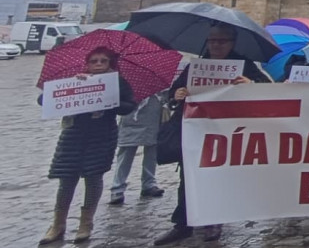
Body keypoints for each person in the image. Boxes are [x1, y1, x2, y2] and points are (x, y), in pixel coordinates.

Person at [154, 24, 270, 246]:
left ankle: (214, 220)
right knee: (187, 178)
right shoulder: (196, 66)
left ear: (231, 43)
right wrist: (177, 95)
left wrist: (251, 84)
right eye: (212, 41)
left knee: (219, 176)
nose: (215, 45)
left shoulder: (243, 65)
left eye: (221, 41)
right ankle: (182, 223)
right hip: (195, 130)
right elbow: (173, 94)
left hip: (225, 132)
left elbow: (267, 88)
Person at [38, 46, 135, 244]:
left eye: (103, 61)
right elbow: (44, 99)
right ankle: (57, 224)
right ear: (87, 63)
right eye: (94, 61)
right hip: (73, 134)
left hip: (101, 135)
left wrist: (109, 99)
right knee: (66, 178)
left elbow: (129, 106)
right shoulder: (76, 79)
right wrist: (73, 85)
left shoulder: (118, 83)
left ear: (110, 63)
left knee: (93, 177)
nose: (98, 64)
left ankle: (86, 223)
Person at [109, 91, 166, 205]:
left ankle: (149, 184)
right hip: (131, 116)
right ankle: (117, 188)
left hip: (154, 114)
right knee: (126, 152)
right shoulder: (127, 79)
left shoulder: (159, 80)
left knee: (152, 151)